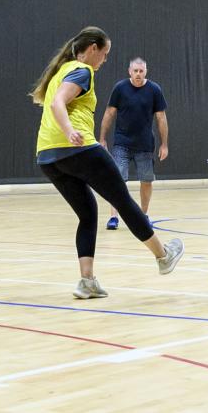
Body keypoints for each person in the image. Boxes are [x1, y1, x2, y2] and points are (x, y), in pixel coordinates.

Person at [27, 26, 184, 300]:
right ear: (92, 49)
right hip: (77, 148)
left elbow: (55, 101)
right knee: (123, 200)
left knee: (88, 213)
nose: (105, 60)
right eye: (105, 53)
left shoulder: (59, 71)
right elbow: (57, 104)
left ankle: (86, 281)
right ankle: (163, 255)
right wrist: (69, 131)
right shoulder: (82, 70)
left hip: (48, 157)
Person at [99, 58, 168, 229]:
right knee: (117, 180)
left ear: (146, 71)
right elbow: (109, 113)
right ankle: (114, 217)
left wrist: (164, 144)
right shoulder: (120, 88)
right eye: (135, 71)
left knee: (146, 181)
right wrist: (102, 138)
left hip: (144, 145)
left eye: (141, 71)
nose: (138, 74)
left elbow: (161, 117)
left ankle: (143, 215)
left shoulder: (154, 90)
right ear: (129, 71)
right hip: (122, 144)